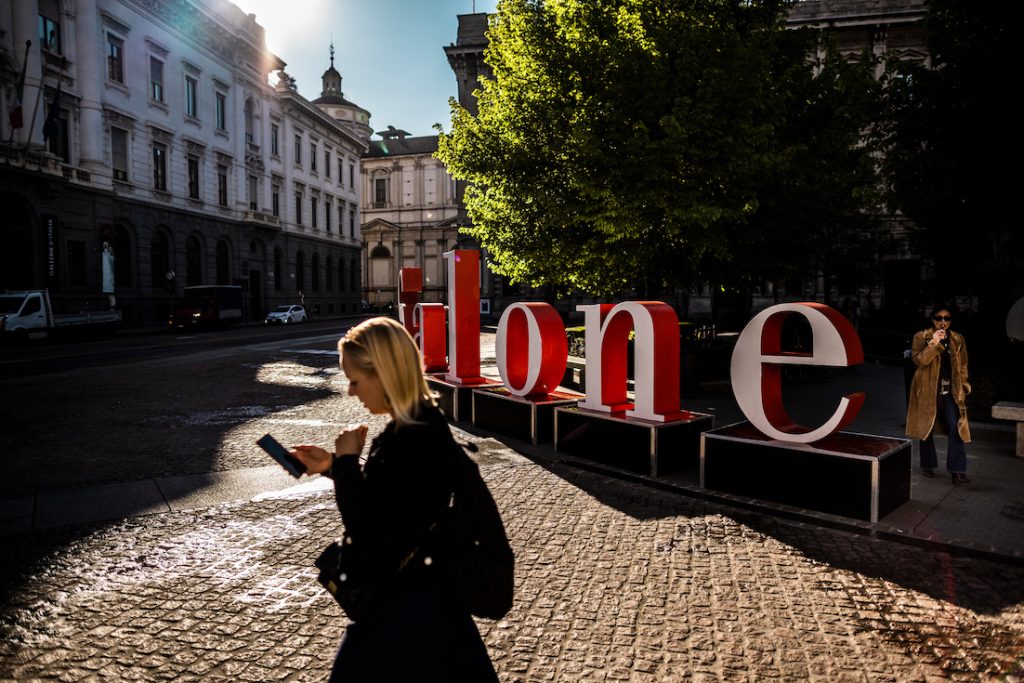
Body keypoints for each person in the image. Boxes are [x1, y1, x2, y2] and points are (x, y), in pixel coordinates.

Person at [290, 317, 498, 681]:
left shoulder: (413, 438)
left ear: (384, 374)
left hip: (407, 613)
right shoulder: (416, 425)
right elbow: (390, 501)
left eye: (355, 381)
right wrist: (332, 465)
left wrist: (350, 461)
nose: (352, 392)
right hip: (427, 606)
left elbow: (370, 533)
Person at [905, 305, 973, 484]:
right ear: (932, 319)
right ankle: (928, 464)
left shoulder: (958, 339)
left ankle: (957, 470)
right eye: (938, 317)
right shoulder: (922, 337)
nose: (943, 322)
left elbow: (963, 364)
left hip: (951, 390)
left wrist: (964, 385)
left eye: (947, 318)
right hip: (928, 389)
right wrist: (934, 343)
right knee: (926, 428)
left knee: (956, 427)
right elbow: (919, 360)